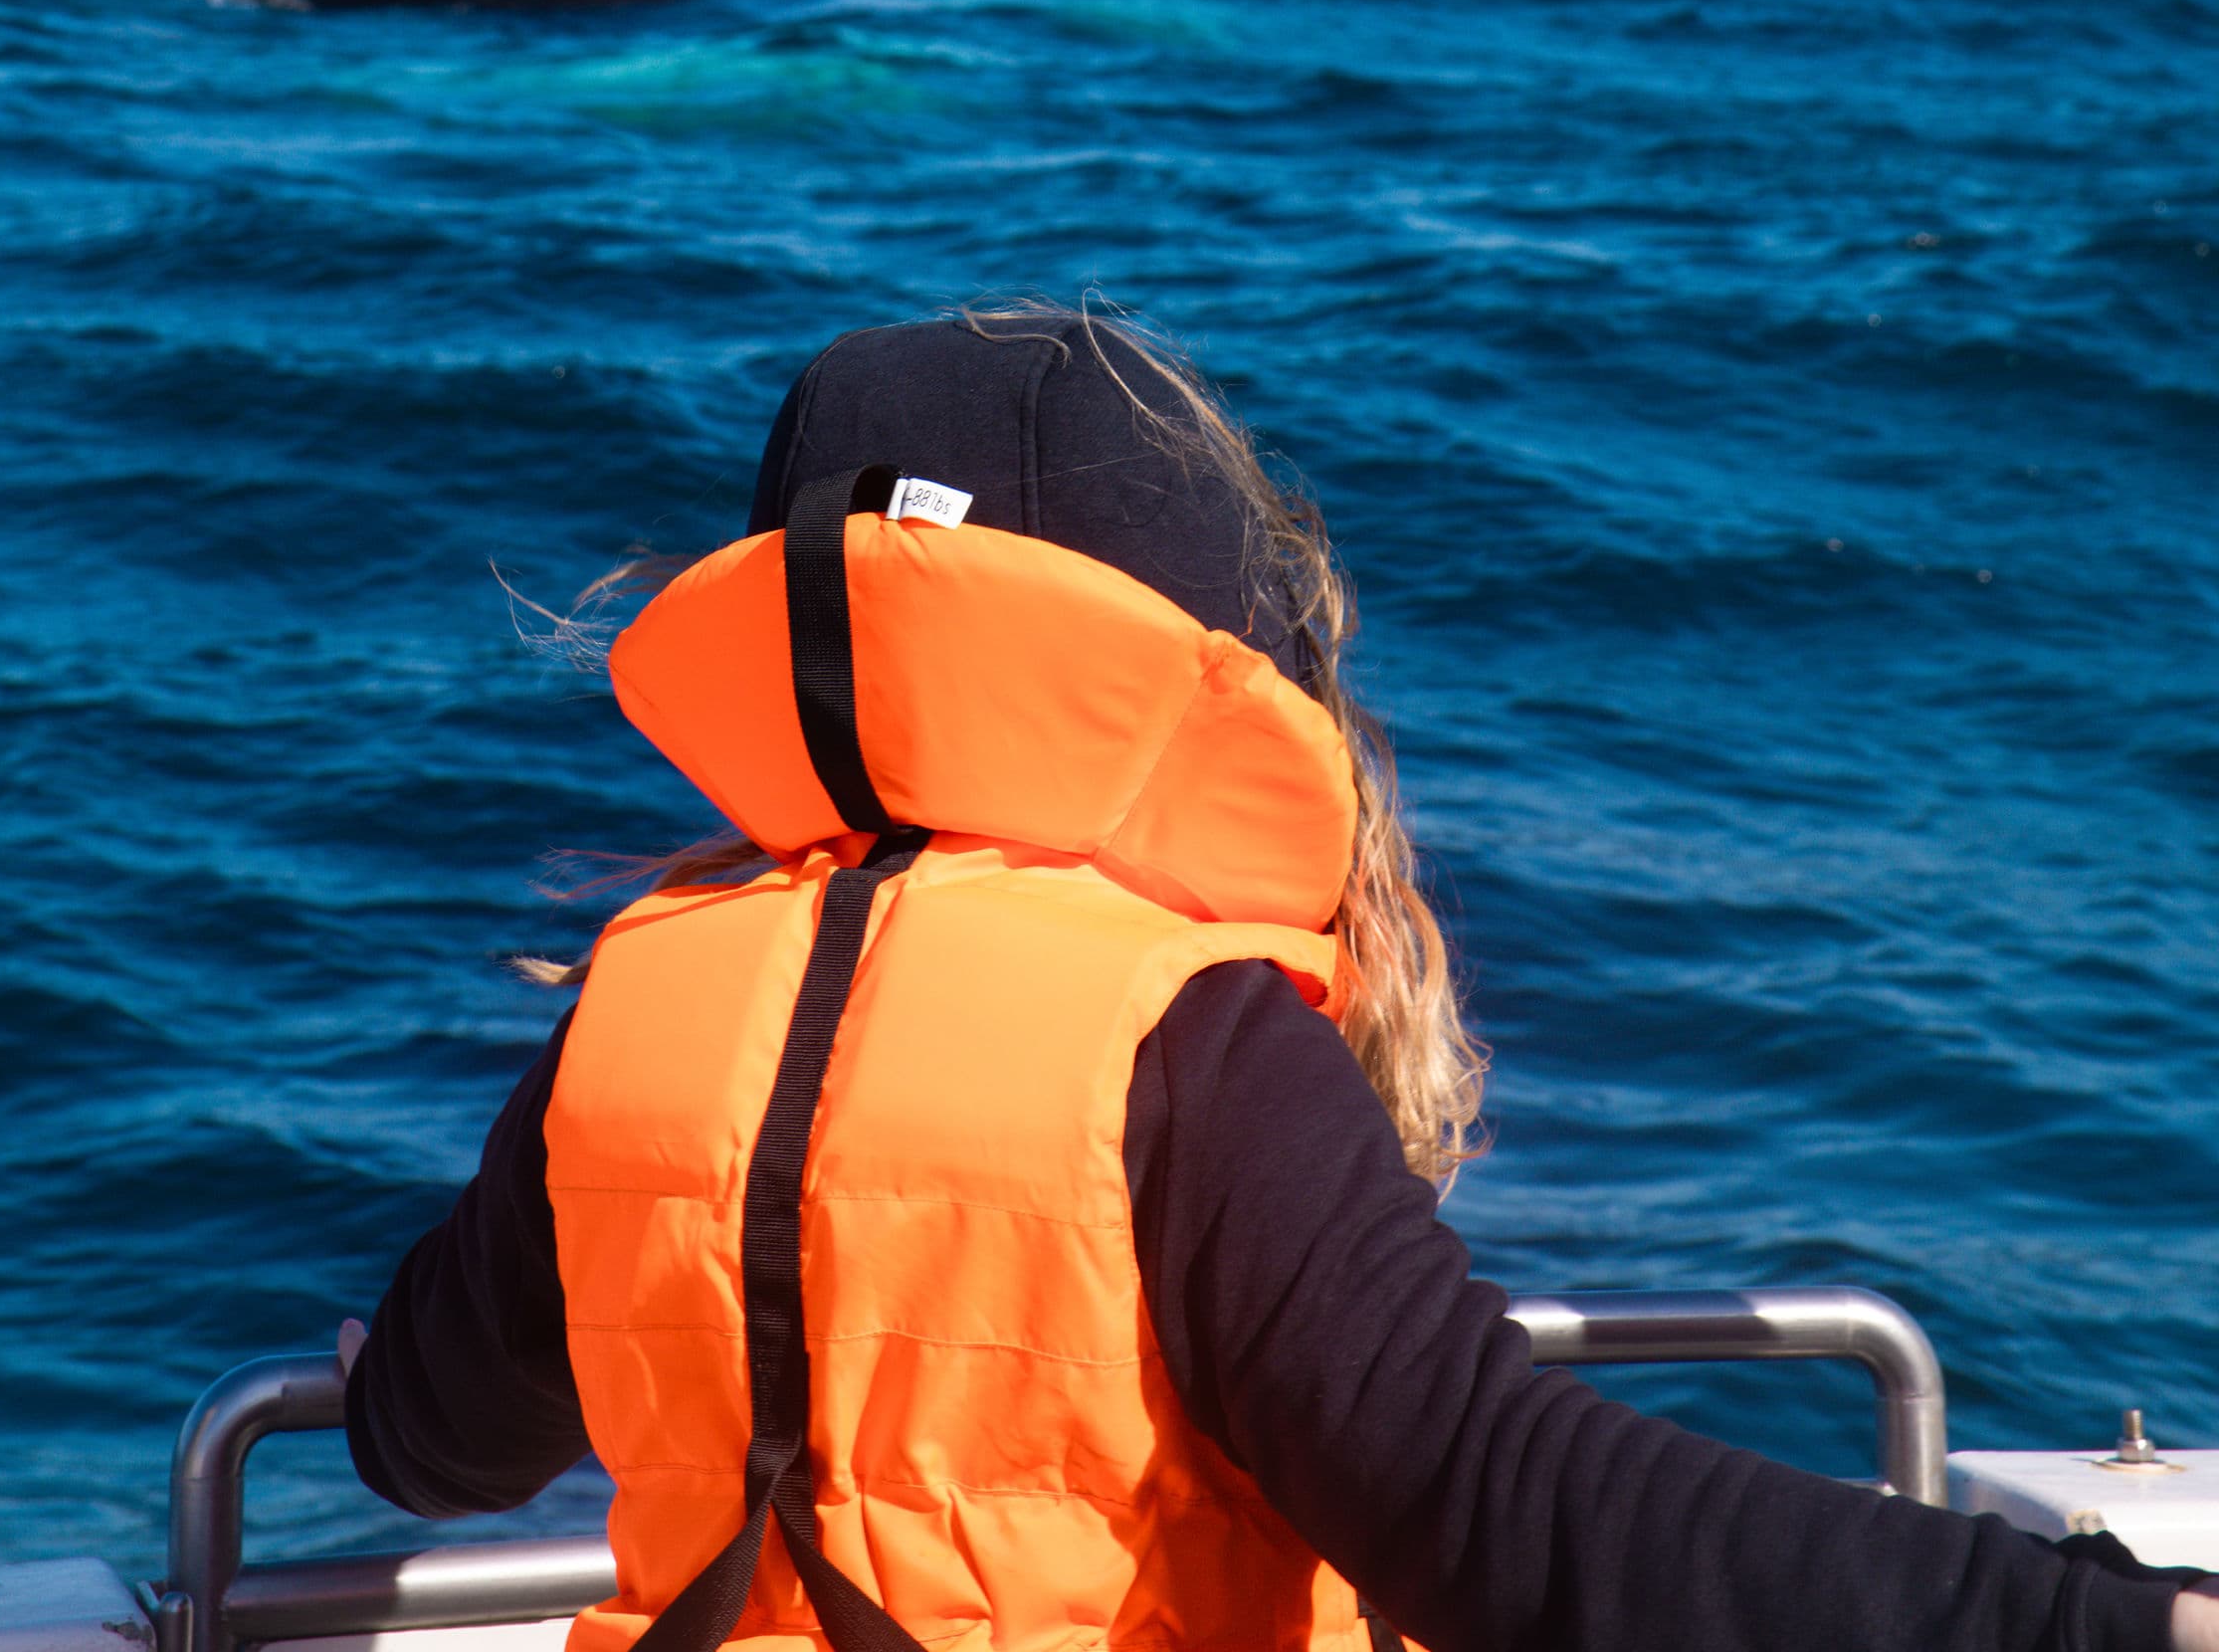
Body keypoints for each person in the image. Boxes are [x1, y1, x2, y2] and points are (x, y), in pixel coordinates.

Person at [346, 309, 2218, 1652]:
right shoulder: (1181, 1044)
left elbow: (431, 1438)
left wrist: (376, 1382)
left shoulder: (641, 1011)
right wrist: (2088, 1625)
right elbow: (1508, 1519)